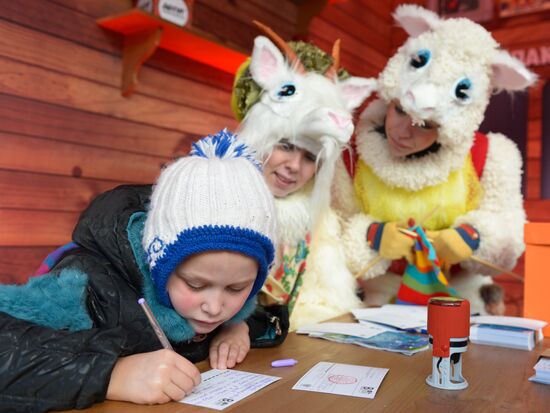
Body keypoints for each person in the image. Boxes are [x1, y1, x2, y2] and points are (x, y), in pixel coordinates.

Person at [0, 130, 287, 411]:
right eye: (196, 285)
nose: (215, 308)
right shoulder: (85, 286)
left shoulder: (224, 308)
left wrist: (240, 325)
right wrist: (111, 374)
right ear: (159, 263)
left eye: (236, 289)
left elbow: (262, 312)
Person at [332, 5, 536, 313]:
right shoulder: (351, 154)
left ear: (449, 129)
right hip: (379, 306)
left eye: (425, 126)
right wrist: (372, 237)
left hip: (463, 299)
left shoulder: (491, 156)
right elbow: (332, 234)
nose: (401, 132)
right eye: (398, 110)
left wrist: (472, 238)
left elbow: (508, 236)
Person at [231, 24, 375, 329]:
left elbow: (328, 304)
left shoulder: (319, 225)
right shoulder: (219, 206)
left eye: (310, 157)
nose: (295, 166)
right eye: (286, 146)